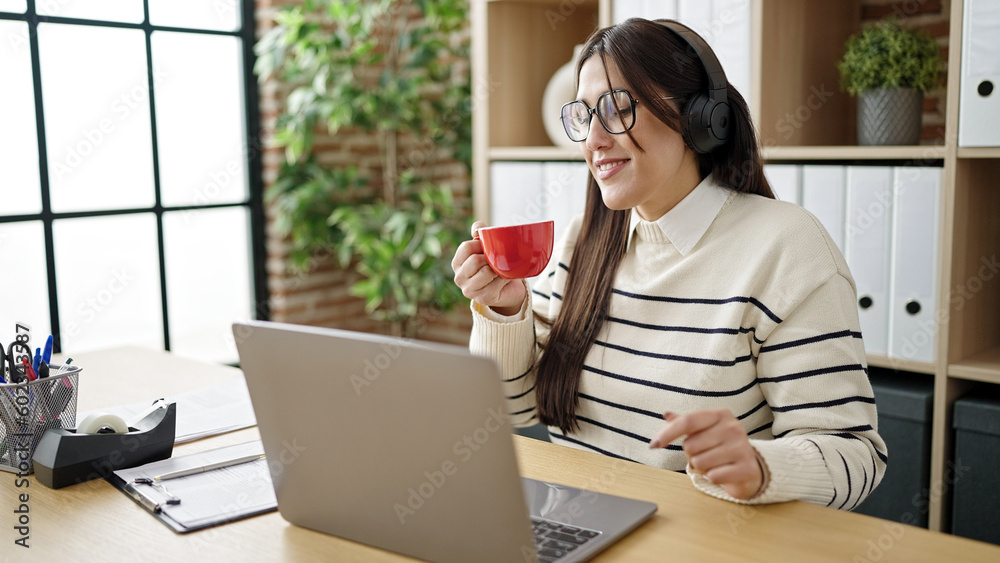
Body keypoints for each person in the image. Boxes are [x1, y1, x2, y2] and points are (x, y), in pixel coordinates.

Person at [451, 18, 886, 508]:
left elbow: (855, 455)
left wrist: (762, 468)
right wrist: (506, 312)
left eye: (617, 109)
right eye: (583, 115)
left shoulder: (787, 246)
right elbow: (515, 406)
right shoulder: (583, 241)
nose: (592, 139)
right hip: (576, 530)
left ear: (699, 118)